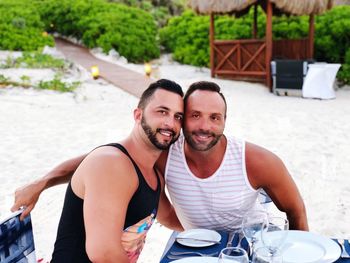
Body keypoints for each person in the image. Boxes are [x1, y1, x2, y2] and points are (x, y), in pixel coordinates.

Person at [12, 81, 308, 237]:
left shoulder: (257, 160)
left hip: (250, 244)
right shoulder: (165, 153)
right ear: (182, 121)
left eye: (215, 118)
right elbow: (100, 158)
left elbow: (296, 211)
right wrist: (42, 182)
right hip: (198, 247)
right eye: (194, 116)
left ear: (225, 121)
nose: (205, 126)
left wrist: (298, 249)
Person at [18, 79, 184, 263]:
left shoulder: (151, 172)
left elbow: (168, 216)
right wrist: (42, 182)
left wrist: (215, 228)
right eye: (162, 112)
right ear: (138, 115)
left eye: (178, 116)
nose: (171, 122)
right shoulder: (111, 164)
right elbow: (104, 253)